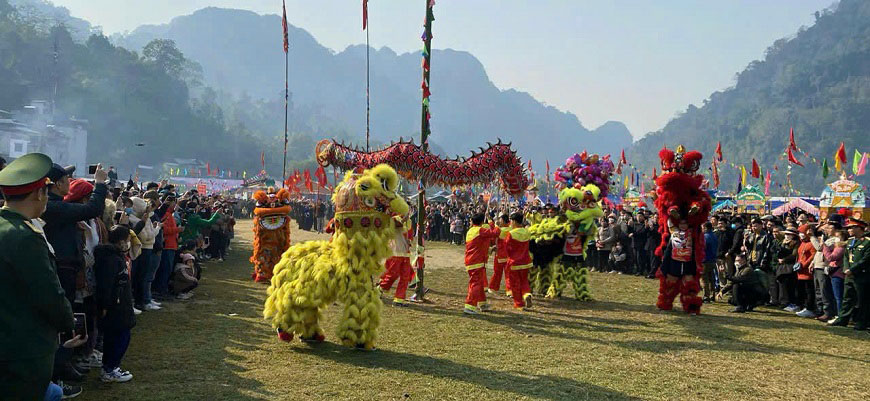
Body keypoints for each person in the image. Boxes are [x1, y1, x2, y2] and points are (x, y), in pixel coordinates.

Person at [0, 153, 80, 400]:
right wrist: (69, 323)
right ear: (38, 194)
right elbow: (48, 293)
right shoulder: (26, 237)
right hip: (23, 348)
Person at [94, 226, 136, 383]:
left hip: (121, 303)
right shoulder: (110, 259)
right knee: (118, 337)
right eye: (127, 240)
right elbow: (106, 285)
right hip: (115, 306)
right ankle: (110, 368)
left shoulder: (116, 257)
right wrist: (104, 306)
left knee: (121, 335)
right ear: (120, 241)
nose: (128, 243)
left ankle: (111, 366)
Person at [828, 218, 870, 330]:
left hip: (862, 275)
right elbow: (846, 256)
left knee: (862, 300)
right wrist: (846, 268)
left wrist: (852, 269)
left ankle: (862, 322)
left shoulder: (867, 242)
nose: (849, 230)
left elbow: (866, 259)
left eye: (852, 227)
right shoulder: (851, 241)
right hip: (849, 274)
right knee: (847, 298)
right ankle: (843, 319)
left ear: (859, 228)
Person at [463, 213, 500, 314]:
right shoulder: (479, 230)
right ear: (482, 222)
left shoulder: (471, 230)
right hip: (476, 261)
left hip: (472, 260)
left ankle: (482, 304)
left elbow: (479, 245)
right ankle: (470, 306)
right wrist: (495, 224)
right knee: (476, 284)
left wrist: (490, 249)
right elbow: (494, 233)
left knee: (478, 283)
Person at [379, 216, 414, 306]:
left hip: (405, 253)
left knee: (405, 277)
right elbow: (396, 225)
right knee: (392, 275)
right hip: (395, 252)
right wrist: (404, 220)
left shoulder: (409, 221)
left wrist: (409, 241)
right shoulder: (394, 219)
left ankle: (399, 300)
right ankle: (379, 289)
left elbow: (409, 233)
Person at [506, 211, 533, 310]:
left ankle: (519, 304)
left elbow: (507, 248)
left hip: (514, 262)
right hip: (526, 261)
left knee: (515, 284)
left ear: (514, 221)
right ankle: (527, 295)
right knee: (524, 281)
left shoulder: (511, 233)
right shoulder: (527, 232)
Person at [795, 224, 818, 318]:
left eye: (802, 232)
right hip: (800, 271)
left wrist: (804, 265)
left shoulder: (811, 243)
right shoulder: (802, 243)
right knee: (802, 290)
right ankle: (803, 306)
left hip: (807, 271)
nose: (801, 234)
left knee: (809, 290)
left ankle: (809, 308)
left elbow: (813, 255)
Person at [487, 213, 512, 296]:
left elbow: (494, 233)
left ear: (504, 221)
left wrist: (493, 223)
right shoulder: (510, 228)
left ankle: (493, 287)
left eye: (500, 220)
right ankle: (509, 290)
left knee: (497, 272)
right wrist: (490, 220)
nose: (499, 221)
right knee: (508, 273)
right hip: (509, 254)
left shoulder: (503, 230)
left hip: (501, 254)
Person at [702, 222, 719, 302]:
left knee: (704, 279)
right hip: (713, 259)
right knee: (712, 278)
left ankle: (706, 296)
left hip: (705, 259)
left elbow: (703, 248)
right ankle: (713, 295)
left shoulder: (705, 237)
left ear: (705, 227)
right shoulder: (714, 236)